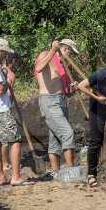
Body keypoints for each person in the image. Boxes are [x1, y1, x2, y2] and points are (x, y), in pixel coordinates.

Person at [0, 38, 34, 186]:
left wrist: (2, 76)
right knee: (15, 140)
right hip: (0, 108)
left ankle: (1, 177)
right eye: (4, 52)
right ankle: (15, 177)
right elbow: (0, 89)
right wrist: (9, 80)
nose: (5, 56)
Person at [33, 39, 79, 173]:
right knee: (67, 133)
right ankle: (70, 170)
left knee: (55, 139)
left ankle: (55, 172)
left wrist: (72, 89)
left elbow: (63, 91)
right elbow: (38, 68)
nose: (70, 56)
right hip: (49, 101)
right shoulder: (46, 55)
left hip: (61, 101)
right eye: (70, 52)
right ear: (65, 49)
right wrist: (53, 50)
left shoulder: (62, 65)